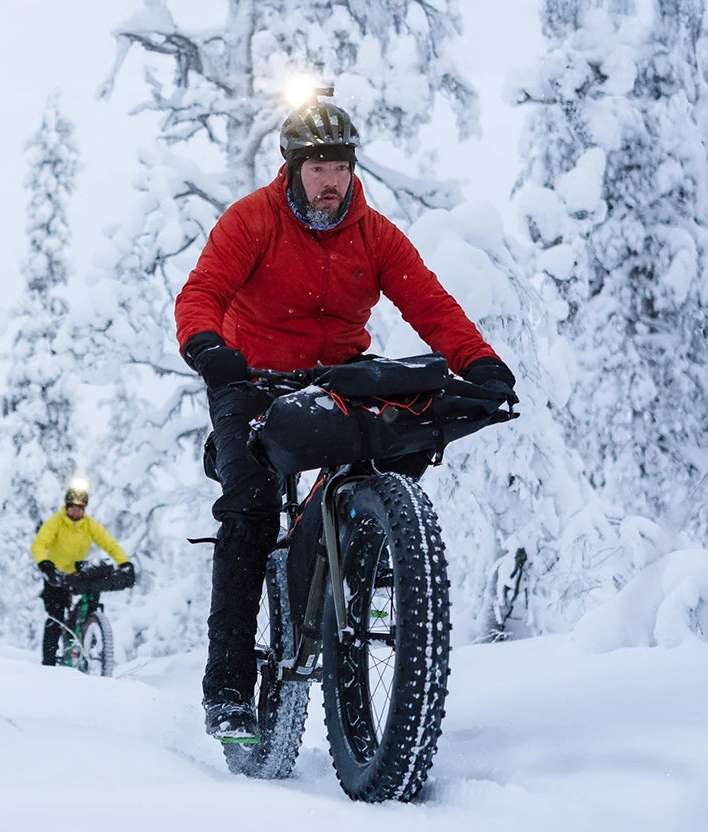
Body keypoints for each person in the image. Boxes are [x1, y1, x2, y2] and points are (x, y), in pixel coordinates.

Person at [174, 96, 517, 740]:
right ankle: (227, 687)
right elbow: (202, 294)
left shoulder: (374, 233)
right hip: (249, 378)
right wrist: (209, 347)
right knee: (248, 507)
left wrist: (481, 363)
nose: (332, 181)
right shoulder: (252, 221)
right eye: (319, 167)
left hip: (336, 378)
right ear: (294, 168)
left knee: (393, 437)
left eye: (342, 166)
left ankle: (363, 558)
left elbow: (430, 303)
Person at [30, 479, 133, 666]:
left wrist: (124, 562)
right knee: (56, 618)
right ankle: (49, 663)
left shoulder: (89, 525)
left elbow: (109, 544)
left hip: (78, 576)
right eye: (73, 507)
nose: (76, 511)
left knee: (91, 602)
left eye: (80, 508)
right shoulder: (55, 523)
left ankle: (89, 631)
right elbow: (39, 544)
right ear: (67, 507)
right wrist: (45, 564)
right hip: (56, 575)